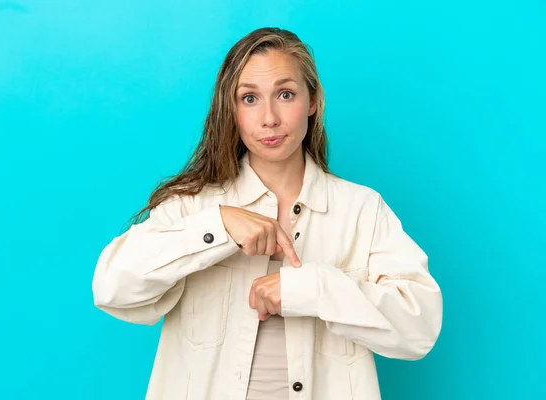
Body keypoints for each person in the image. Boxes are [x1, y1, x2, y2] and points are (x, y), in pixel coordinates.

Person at [92, 27, 443, 400]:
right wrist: (218, 226)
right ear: (231, 109)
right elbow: (112, 289)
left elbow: (419, 330)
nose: (269, 118)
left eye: (285, 94)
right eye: (249, 99)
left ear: (312, 100)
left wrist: (313, 288)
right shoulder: (192, 205)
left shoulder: (361, 210)